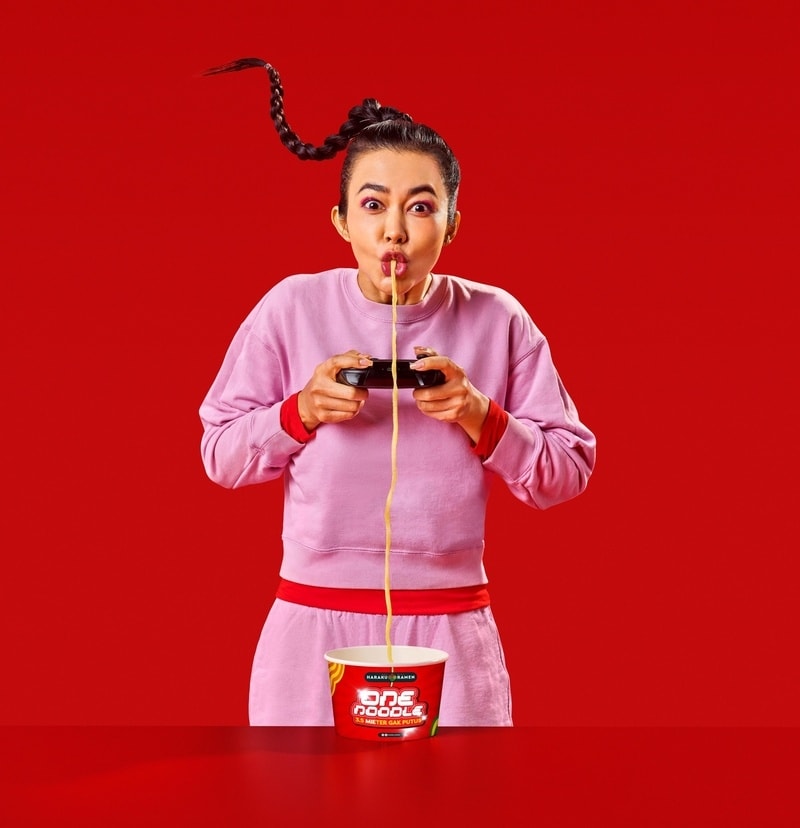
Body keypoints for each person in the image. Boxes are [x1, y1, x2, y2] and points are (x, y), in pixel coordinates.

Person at [199, 58, 596, 727]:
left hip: (451, 623)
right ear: (340, 221)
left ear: (453, 224)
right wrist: (299, 413)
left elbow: (569, 471)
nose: (394, 231)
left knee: (464, 787)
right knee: (291, 786)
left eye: (421, 207)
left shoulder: (498, 318)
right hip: (311, 620)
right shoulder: (290, 307)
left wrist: (481, 415)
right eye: (373, 205)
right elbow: (220, 455)